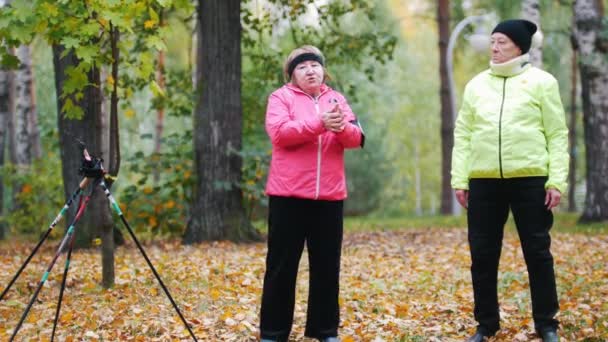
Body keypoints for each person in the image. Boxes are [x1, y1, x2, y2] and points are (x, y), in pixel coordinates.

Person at [451, 19, 568, 342]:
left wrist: (556, 179)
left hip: (531, 179)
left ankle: (547, 324)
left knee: (538, 253)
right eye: (492, 41)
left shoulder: (542, 82)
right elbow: (463, 134)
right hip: (484, 182)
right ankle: (486, 325)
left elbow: (557, 133)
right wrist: (460, 178)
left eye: (501, 42)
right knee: (483, 255)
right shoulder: (476, 85)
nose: (494, 47)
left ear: (519, 46)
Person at [259, 45, 364, 342]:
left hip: (329, 198)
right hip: (288, 197)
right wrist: (320, 124)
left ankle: (324, 330)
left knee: (327, 268)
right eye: (302, 66)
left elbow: (356, 138)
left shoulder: (336, 99)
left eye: (315, 65)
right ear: (292, 74)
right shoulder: (280, 98)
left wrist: (341, 127)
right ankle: (273, 332)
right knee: (281, 268)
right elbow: (280, 134)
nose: (310, 70)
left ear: (323, 70)